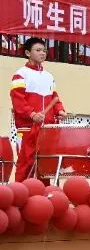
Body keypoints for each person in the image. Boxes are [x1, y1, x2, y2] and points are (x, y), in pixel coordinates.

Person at [10, 37, 67, 182]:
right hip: (27, 128)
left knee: (46, 164)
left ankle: (43, 198)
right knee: (26, 163)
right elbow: (18, 100)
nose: (43, 53)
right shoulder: (21, 74)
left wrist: (59, 110)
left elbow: (55, 98)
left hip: (46, 128)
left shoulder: (49, 76)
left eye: (44, 50)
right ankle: (20, 197)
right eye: (38, 50)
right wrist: (31, 114)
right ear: (28, 53)